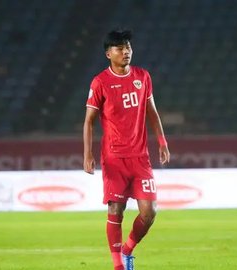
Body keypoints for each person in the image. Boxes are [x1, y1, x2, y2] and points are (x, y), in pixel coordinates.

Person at [83, 30, 170, 270]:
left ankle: (127, 249)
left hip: (140, 157)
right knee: (115, 209)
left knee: (149, 212)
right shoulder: (100, 82)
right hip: (113, 157)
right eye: (120, 48)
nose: (126, 52)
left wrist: (162, 142)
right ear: (108, 54)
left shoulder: (143, 76)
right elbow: (89, 120)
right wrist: (88, 154)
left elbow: (152, 112)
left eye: (128, 47)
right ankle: (118, 265)